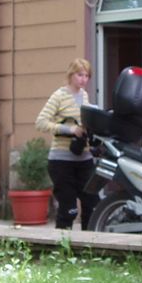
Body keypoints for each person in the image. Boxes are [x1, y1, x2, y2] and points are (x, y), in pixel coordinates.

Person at [35, 58, 97, 230]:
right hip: (62, 160)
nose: (83, 79)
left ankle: (89, 241)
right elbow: (40, 122)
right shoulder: (59, 96)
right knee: (68, 209)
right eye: (80, 75)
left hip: (84, 158)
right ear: (70, 75)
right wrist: (69, 130)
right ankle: (62, 243)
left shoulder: (84, 95)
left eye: (87, 76)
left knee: (91, 204)